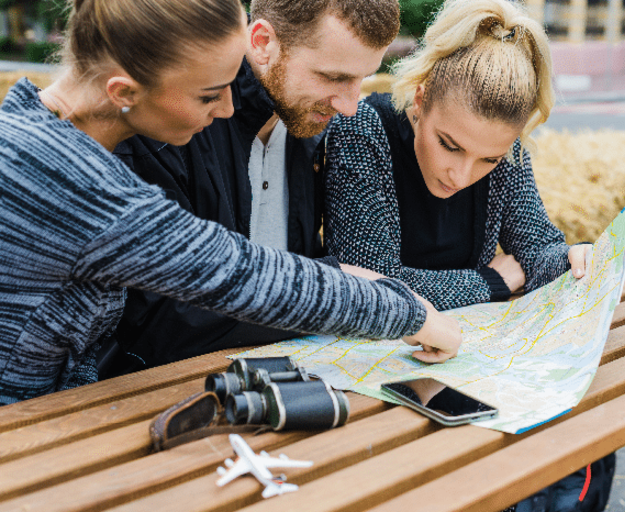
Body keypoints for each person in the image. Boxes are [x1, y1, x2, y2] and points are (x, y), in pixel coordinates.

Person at [0, 0, 461, 406]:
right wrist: (409, 313)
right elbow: (241, 275)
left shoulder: (25, 126)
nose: (225, 109)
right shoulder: (69, 181)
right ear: (123, 92)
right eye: (208, 94)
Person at [323, 0, 612, 509]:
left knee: (585, 446)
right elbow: (371, 283)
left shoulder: (506, 152)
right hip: (373, 372)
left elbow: (536, 248)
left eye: (489, 159)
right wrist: (491, 283)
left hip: (463, 365)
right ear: (420, 97)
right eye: (449, 144)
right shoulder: (362, 130)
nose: (462, 174)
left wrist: (573, 261)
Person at [101, 0, 403, 377]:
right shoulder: (171, 118)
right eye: (332, 77)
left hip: (279, 378)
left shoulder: (305, 123)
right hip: (159, 388)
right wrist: (338, 287)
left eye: (362, 80)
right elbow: (158, 319)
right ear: (261, 42)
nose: (349, 106)